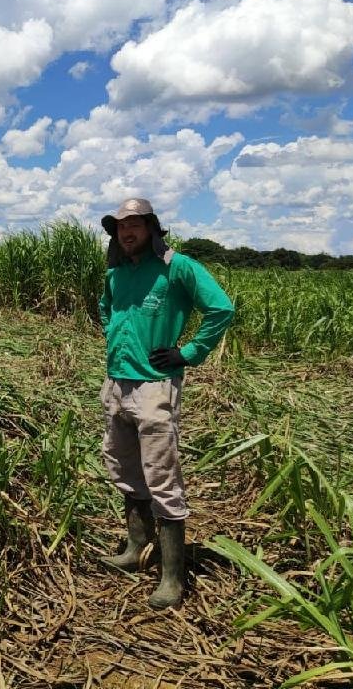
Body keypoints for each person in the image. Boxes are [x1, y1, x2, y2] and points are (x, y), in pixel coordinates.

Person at [97, 198, 234, 609]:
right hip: (117, 383)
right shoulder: (118, 272)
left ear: (152, 227)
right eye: (120, 227)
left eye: (134, 225)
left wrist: (188, 352)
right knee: (124, 467)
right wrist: (115, 337)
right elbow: (107, 309)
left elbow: (221, 309)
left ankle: (172, 577)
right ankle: (135, 549)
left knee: (161, 476)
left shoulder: (178, 267)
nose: (127, 233)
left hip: (155, 387)